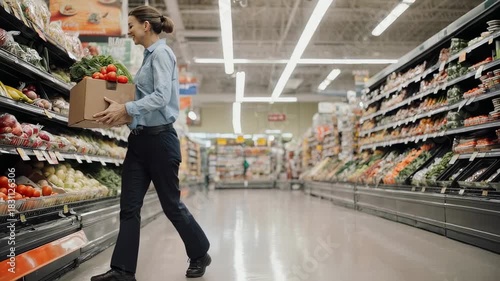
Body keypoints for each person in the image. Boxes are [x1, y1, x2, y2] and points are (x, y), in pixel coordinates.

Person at [91, 6, 211, 281]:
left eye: (131, 25)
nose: (128, 31)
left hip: (161, 141)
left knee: (171, 205)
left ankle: (200, 251)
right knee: (129, 206)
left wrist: (128, 109)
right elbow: (144, 103)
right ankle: (122, 270)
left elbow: (161, 97)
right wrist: (121, 113)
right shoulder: (147, 58)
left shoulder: (162, 54)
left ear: (146, 26)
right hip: (140, 142)